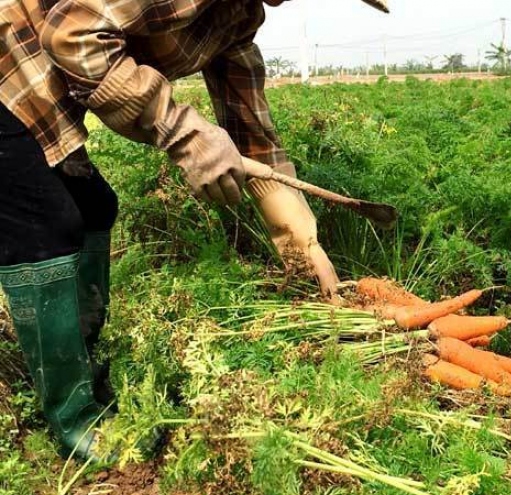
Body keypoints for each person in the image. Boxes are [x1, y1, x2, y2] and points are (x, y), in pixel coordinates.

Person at [0, 0, 389, 460]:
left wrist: (305, 244)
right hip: (9, 64)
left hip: (43, 90)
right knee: (46, 224)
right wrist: (183, 131)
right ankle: (73, 416)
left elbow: (253, 135)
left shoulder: (238, 16)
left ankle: (75, 365)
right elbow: (72, 35)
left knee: (95, 208)